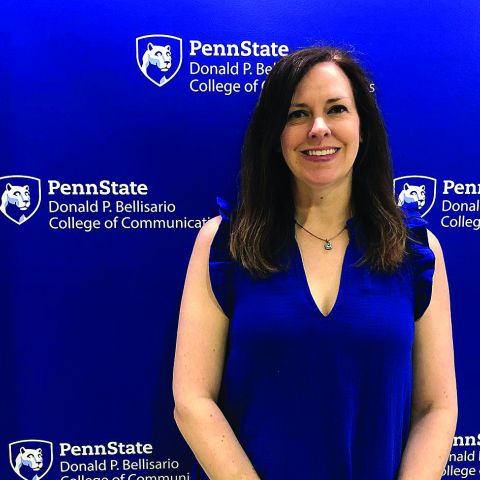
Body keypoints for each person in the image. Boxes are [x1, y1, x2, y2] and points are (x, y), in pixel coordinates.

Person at [172, 46, 457, 479]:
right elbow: (192, 401)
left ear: (363, 128)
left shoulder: (415, 251)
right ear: (276, 134)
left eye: (337, 109)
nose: (318, 128)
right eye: (297, 114)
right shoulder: (225, 245)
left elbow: (436, 407)